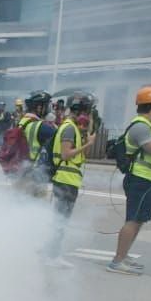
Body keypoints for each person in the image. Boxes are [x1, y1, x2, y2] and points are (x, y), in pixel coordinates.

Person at [109, 86, 151, 275]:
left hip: (146, 180)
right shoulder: (141, 127)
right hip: (138, 180)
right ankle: (117, 261)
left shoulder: (147, 126)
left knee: (140, 219)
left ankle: (124, 255)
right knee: (133, 220)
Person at [44, 94, 97, 267]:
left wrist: (86, 138)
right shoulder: (68, 128)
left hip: (70, 181)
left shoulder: (74, 128)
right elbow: (66, 154)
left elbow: (80, 156)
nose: (89, 116)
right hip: (64, 180)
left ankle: (52, 253)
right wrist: (88, 144)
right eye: (88, 112)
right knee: (60, 220)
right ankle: (52, 256)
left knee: (62, 220)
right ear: (80, 111)